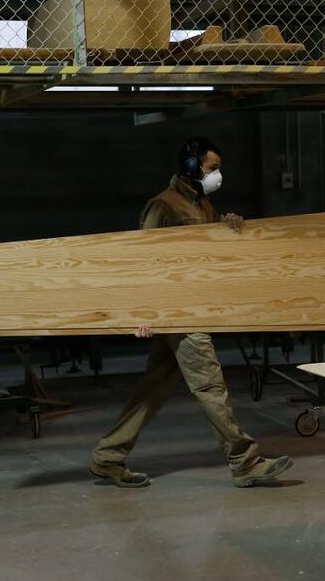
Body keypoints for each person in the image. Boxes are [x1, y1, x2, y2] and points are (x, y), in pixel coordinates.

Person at [90, 137, 293, 488]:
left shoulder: (205, 206)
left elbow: (208, 257)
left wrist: (230, 229)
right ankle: (244, 461)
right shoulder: (163, 206)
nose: (218, 175)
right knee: (210, 386)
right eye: (213, 168)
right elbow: (141, 261)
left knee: (153, 388)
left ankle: (108, 456)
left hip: (192, 308)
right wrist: (143, 312)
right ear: (191, 167)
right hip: (175, 313)